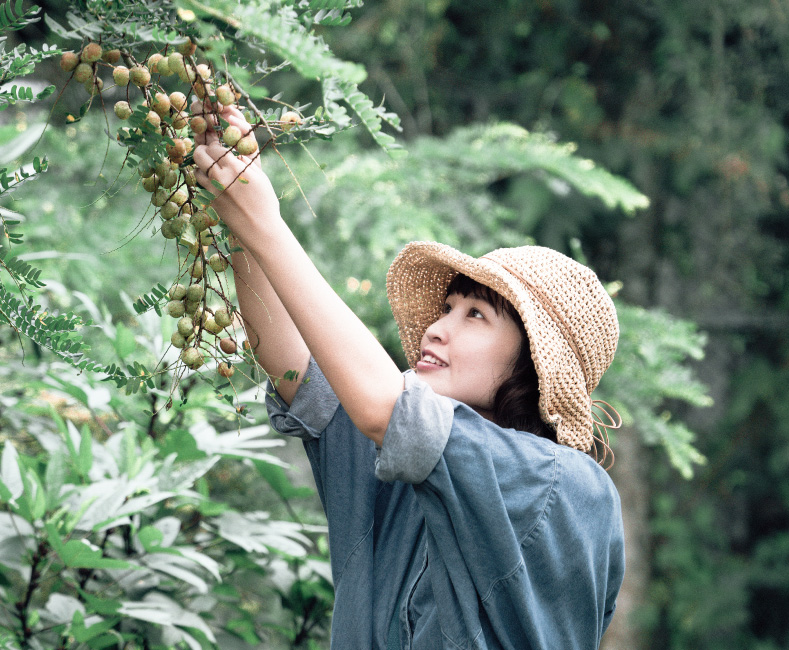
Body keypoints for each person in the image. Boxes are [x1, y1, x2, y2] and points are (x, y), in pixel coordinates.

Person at [193, 104, 625, 650]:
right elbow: (294, 367)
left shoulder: (563, 484)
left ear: (531, 363)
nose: (436, 330)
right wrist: (240, 215)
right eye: (447, 308)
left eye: (475, 315)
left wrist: (266, 221)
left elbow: (379, 405)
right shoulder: (401, 466)